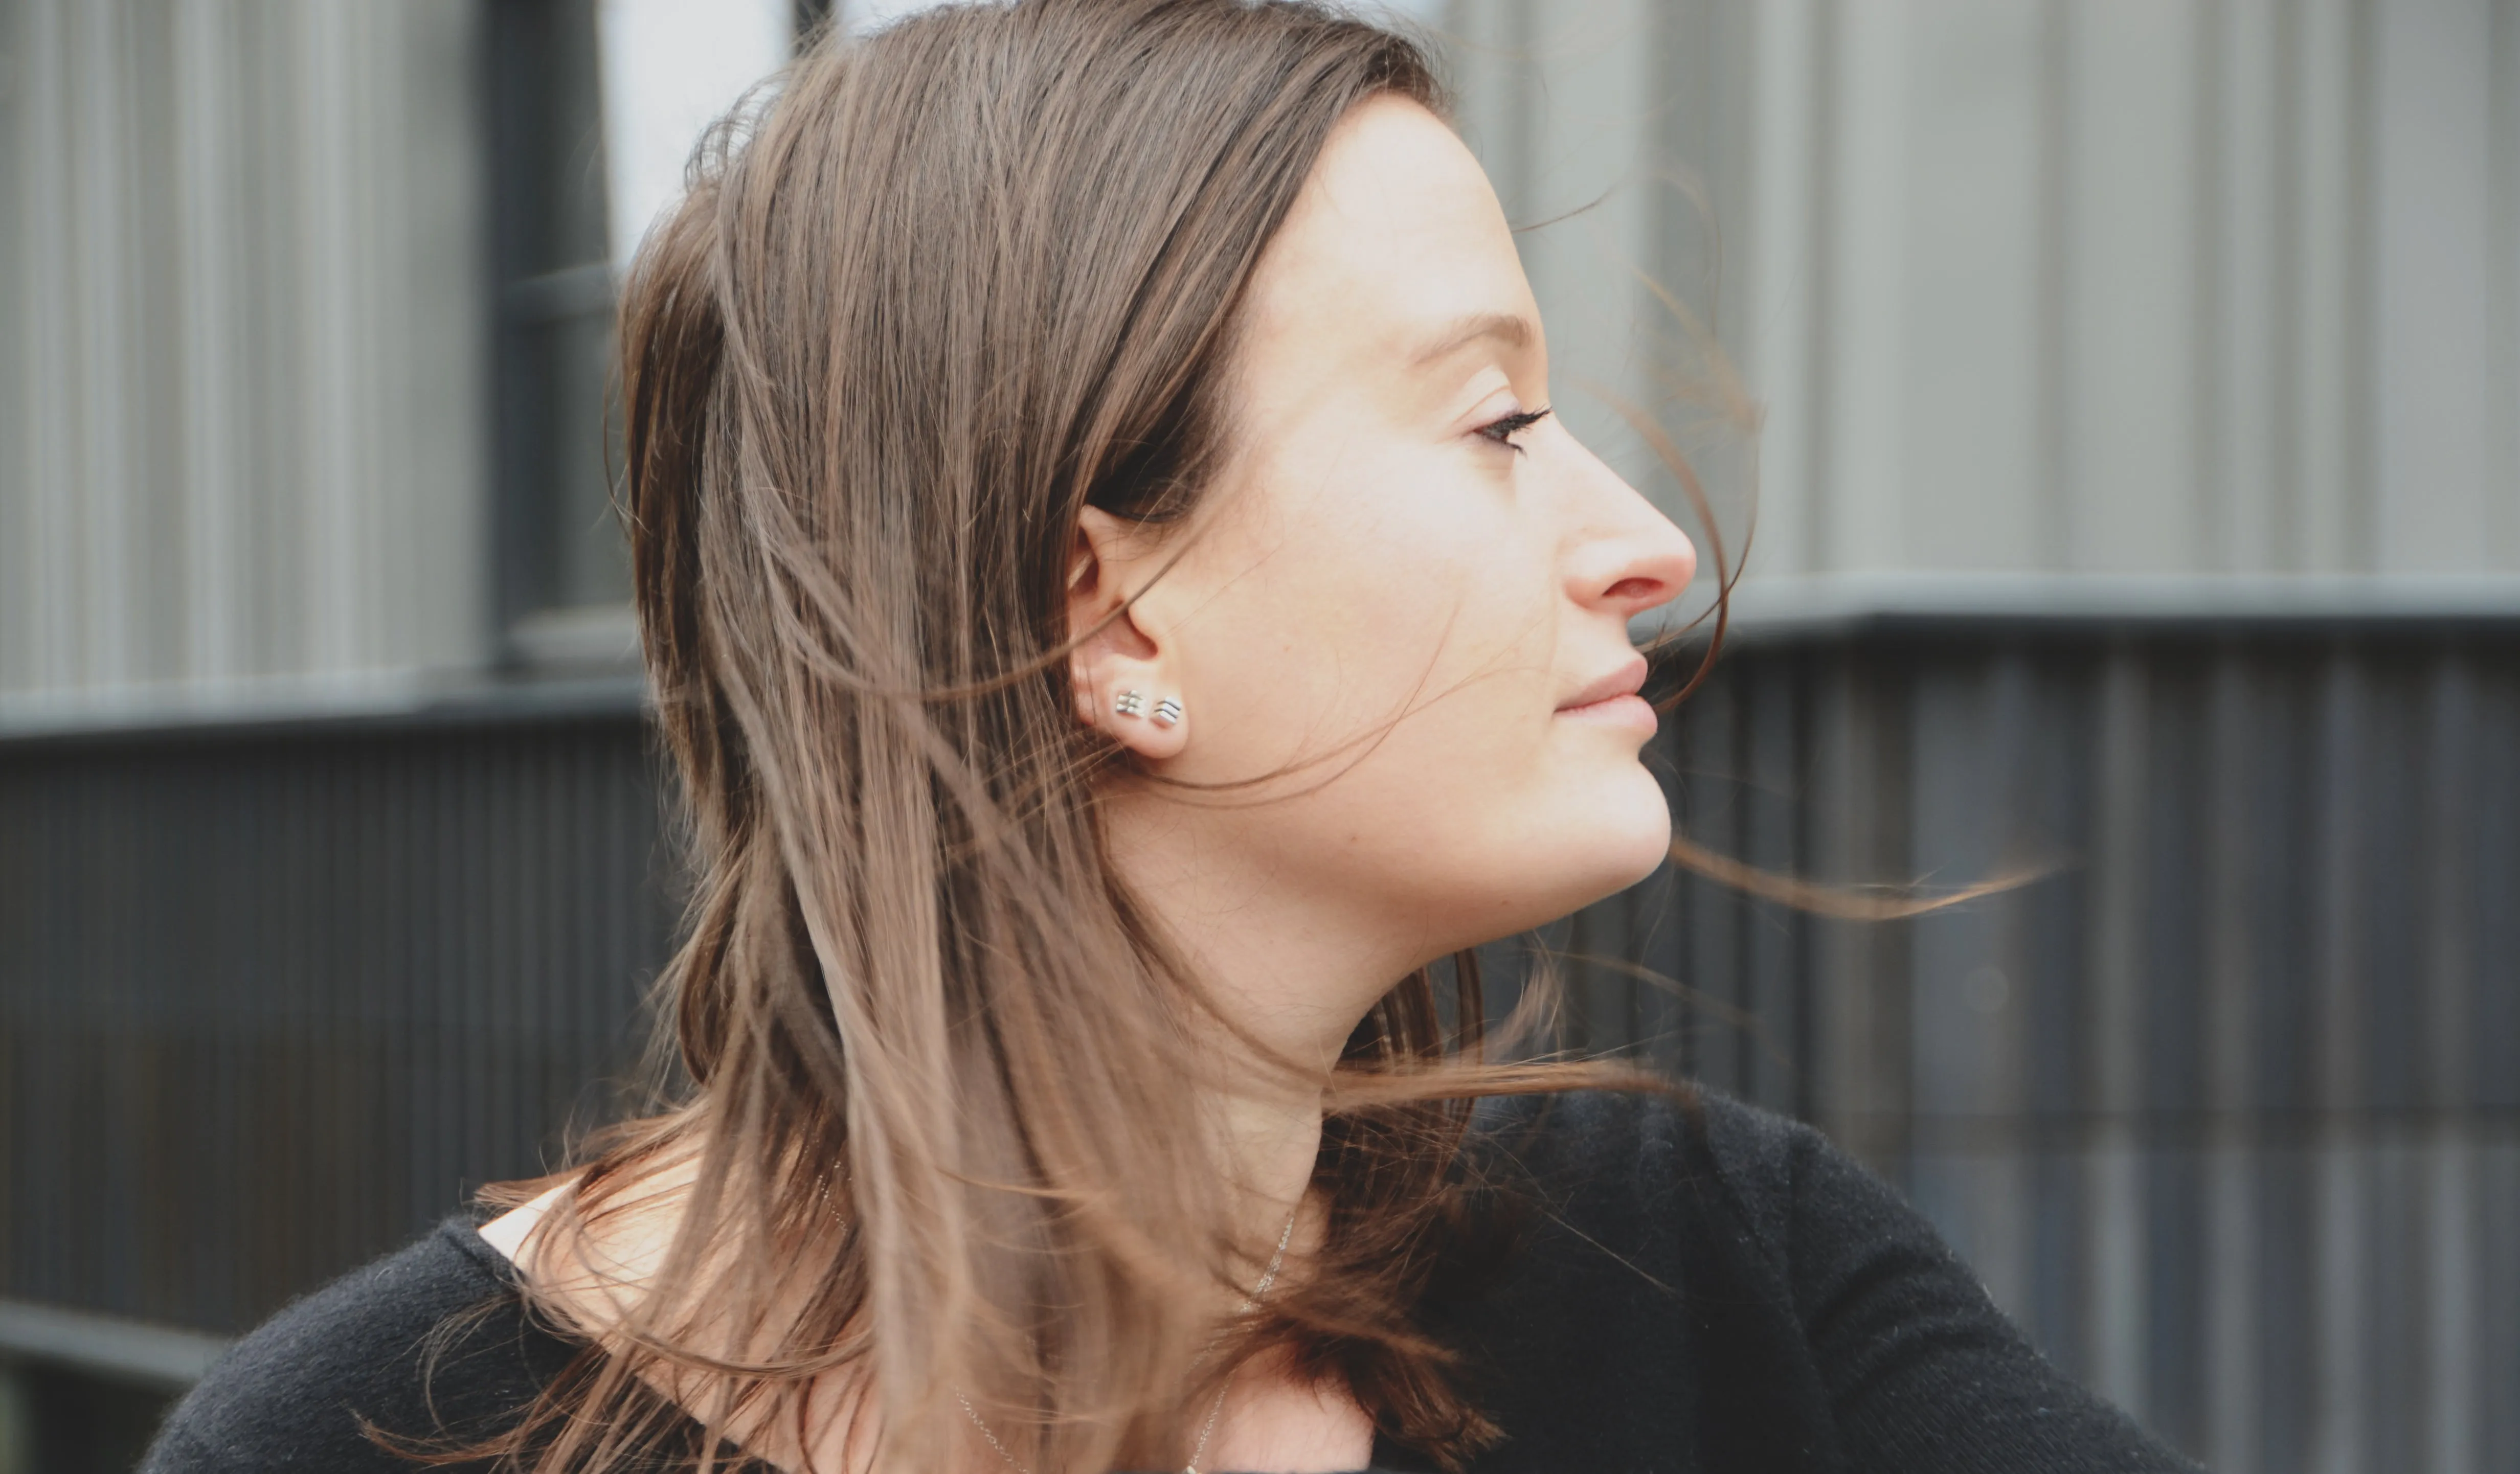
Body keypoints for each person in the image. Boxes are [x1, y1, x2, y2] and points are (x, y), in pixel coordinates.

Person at [143, 3, 2200, 1471]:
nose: (1644, 544)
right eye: (1492, 424)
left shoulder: (1700, 1267)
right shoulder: (371, 1439)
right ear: (1104, 610)